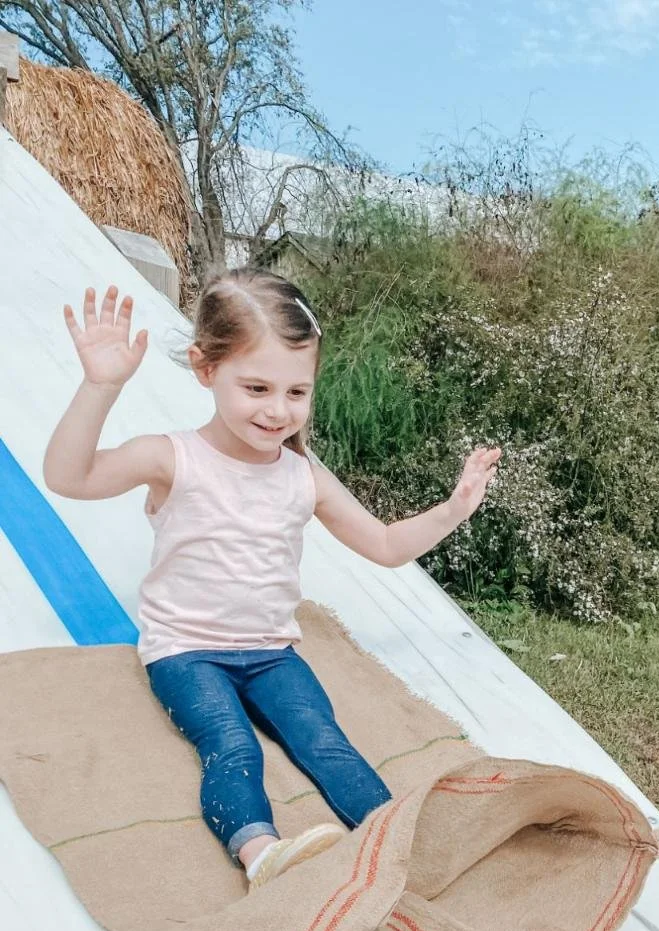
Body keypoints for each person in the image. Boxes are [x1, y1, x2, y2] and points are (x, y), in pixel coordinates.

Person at [42, 273, 500, 889]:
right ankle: (263, 854)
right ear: (205, 369)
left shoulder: (301, 475)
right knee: (233, 746)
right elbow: (69, 478)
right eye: (256, 387)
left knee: (326, 741)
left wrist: (453, 509)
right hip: (186, 652)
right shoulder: (171, 457)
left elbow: (386, 545)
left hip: (271, 653)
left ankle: (394, 847)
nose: (277, 410)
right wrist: (102, 386)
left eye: (296, 391)